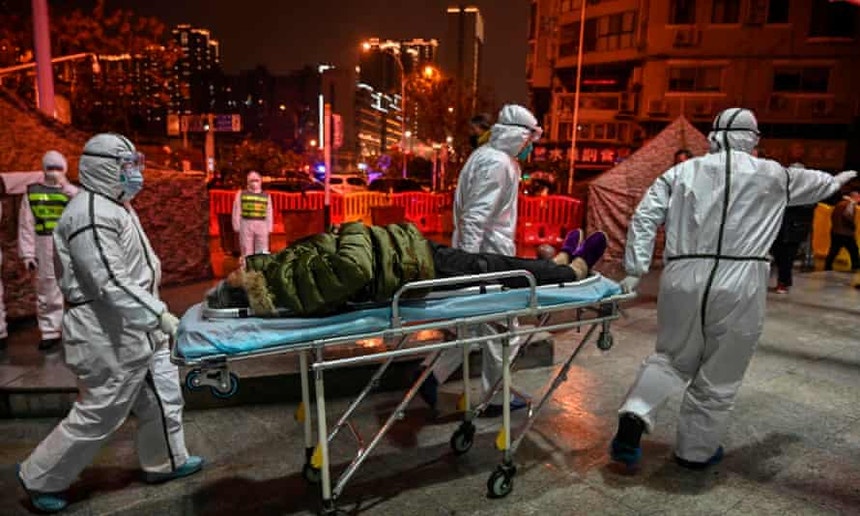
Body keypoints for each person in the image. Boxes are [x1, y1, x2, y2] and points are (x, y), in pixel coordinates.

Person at [613, 107, 857, 470]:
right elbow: (820, 185)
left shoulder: (680, 172)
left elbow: (645, 216)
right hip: (741, 278)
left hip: (683, 275)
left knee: (671, 357)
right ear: (752, 139)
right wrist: (838, 180)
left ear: (714, 136)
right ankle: (694, 451)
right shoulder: (774, 174)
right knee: (720, 370)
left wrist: (635, 269)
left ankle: (636, 411)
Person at [16, 133, 203, 514]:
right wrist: (159, 316)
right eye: (126, 165)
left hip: (135, 324)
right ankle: (39, 477)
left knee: (163, 395)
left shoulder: (115, 206)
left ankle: (166, 461)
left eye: (135, 164)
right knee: (101, 410)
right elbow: (110, 281)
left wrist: (153, 316)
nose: (135, 173)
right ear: (104, 167)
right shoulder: (89, 215)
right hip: (106, 330)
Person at [416, 105, 545, 415]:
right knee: (503, 332)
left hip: (483, 257)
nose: (531, 148)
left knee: (473, 327)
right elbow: (476, 217)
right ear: (518, 136)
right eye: (530, 141)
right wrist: (469, 265)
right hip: (488, 261)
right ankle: (496, 399)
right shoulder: (498, 163)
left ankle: (430, 376)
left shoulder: (486, 156)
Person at [207, 221, 607, 318]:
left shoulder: (282, 272)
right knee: (490, 268)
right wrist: (352, 229)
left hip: (404, 252)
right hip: (408, 266)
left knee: (490, 264)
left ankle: (552, 265)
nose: (239, 266)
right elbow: (354, 267)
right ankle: (570, 273)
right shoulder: (287, 285)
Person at [18, 151, 79, 351]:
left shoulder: (72, 192)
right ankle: (50, 331)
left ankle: (79, 330)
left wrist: (68, 189)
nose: (54, 172)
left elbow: (84, 212)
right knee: (47, 288)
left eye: (58, 168)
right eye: (50, 168)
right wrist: (28, 253)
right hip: (44, 245)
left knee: (78, 287)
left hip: (69, 245)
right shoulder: (32, 192)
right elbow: (26, 224)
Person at [231, 170, 273, 258]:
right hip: (245, 223)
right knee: (246, 248)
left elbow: (269, 212)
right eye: (252, 180)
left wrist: (269, 227)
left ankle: (260, 265)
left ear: (260, 181)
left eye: (256, 180)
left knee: (262, 249)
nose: (254, 183)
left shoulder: (266, 195)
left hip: (262, 224)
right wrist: (236, 225)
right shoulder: (241, 194)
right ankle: (246, 265)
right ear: (248, 181)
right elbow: (237, 209)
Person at [824, 190, 860, 271]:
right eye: (858, 197)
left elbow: (832, 216)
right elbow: (847, 215)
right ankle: (856, 266)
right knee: (854, 250)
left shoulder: (839, 204)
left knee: (834, 250)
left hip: (835, 231)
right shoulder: (850, 204)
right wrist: (852, 226)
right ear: (854, 197)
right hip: (846, 233)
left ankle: (827, 266)